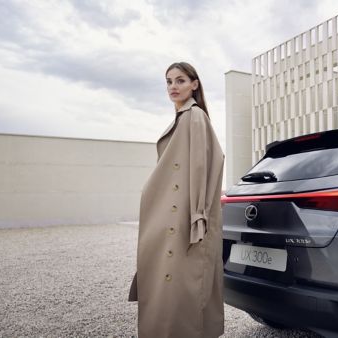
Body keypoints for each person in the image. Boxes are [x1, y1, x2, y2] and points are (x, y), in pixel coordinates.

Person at [128, 62, 225, 338]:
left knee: (182, 288)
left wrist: (198, 215)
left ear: (194, 84)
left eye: (180, 80)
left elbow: (200, 168)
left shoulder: (194, 117)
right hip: (173, 214)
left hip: (183, 216)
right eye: (169, 81)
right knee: (170, 285)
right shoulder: (184, 117)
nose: (173, 86)